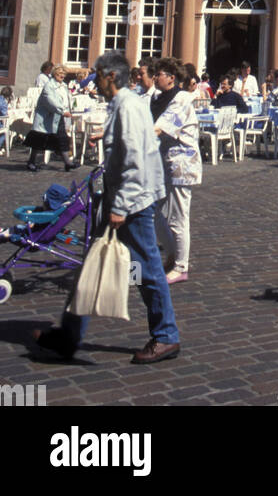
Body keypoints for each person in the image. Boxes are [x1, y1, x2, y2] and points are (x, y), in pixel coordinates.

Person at [33, 51, 180, 364]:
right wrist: (107, 135)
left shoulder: (127, 105)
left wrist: (121, 206)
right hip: (126, 199)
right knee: (94, 266)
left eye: (97, 74)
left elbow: (136, 160)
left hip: (132, 203)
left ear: (110, 76)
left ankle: (166, 336)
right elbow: (134, 145)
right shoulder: (126, 104)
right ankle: (68, 335)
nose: (93, 79)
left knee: (147, 270)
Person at [151, 58, 202, 285]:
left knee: (179, 217)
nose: (155, 78)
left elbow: (160, 127)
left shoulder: (181, 99)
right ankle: (172, 255)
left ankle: (181, 266)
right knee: (156, 211)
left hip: (182, 165)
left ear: (171, 78)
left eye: (158, 74)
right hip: (164, 163)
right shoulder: (157, 97)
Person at [25, 64, 74, 172]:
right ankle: (31, 162)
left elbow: (67, 99)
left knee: (62, 138)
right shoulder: (49, 86)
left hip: (57, 118)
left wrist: (69, 109)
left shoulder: (64, 86)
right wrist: (62, 111)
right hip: (45, 118)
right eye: (60, 73)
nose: (62, 76)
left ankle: (67, 163)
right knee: (39, 140)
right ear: (54, 74)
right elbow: (51, 101)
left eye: (64, 74)